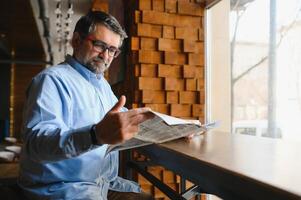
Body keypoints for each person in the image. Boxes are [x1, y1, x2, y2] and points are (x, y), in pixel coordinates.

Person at [18, 11, 154, 200]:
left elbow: (124, 118)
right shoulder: (51, 80)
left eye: (113, 50)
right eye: (99, 45)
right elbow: (35, 144)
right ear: (76, 41)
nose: (106, 56)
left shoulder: (102, 85)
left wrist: (177, 127)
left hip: (102, 183)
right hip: (63, 189)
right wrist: (94, 135)